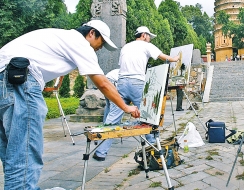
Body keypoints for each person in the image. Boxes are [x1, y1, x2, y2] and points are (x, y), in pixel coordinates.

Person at [0, 20, 140, 189]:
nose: (99, 48)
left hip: (7, 78)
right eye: (100, 43)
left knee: (13, 153)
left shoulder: (63, 38)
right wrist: (126, 107)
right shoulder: (80, 43)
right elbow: (102, 83)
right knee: (25, 153)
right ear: (91, 33)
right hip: (19, 80)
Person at [94, 26, 179, 161]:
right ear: (144, 35)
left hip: (121, 83)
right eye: (149, 36)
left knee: (113, 118)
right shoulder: (146, 45)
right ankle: (154, 150)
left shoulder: (126, 47)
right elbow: (163, 57)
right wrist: (175, 59)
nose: (150, 38)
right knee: (147, 117)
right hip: (137, 83)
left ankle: (100, 152)